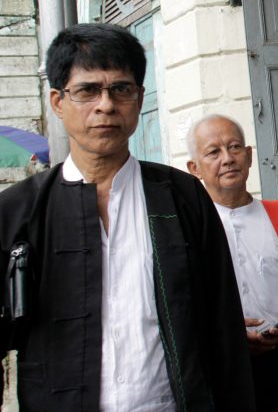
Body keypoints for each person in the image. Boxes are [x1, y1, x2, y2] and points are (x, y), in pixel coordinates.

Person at [0, 23, 256, 411]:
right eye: (87, 90)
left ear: (138, 99)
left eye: (120, 89)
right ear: (57, 101)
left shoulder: (183, 197)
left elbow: (223, 327)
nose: (106, 105)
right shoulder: (19, 211)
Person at [186, 114, 278, 411]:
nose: (227, 159)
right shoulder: (187, 231)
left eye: (235, 147)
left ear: (250, 156)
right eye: (213, 152)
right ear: (194, 168)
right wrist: (225, 332)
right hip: (219, 370)